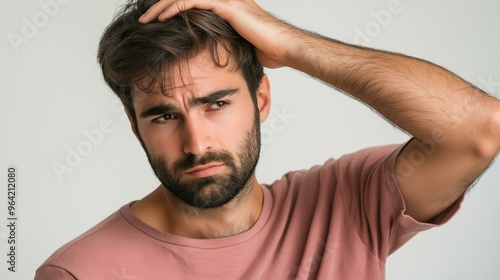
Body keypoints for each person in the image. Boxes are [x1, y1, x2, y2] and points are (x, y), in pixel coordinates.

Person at [35, 0, 500, 279]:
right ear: (134, 125)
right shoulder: (81, 272)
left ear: (260, 100)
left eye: (216, 103)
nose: (196, 143)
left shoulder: (346, 206)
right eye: (163, 116)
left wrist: (292, 45)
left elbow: (477, 129)